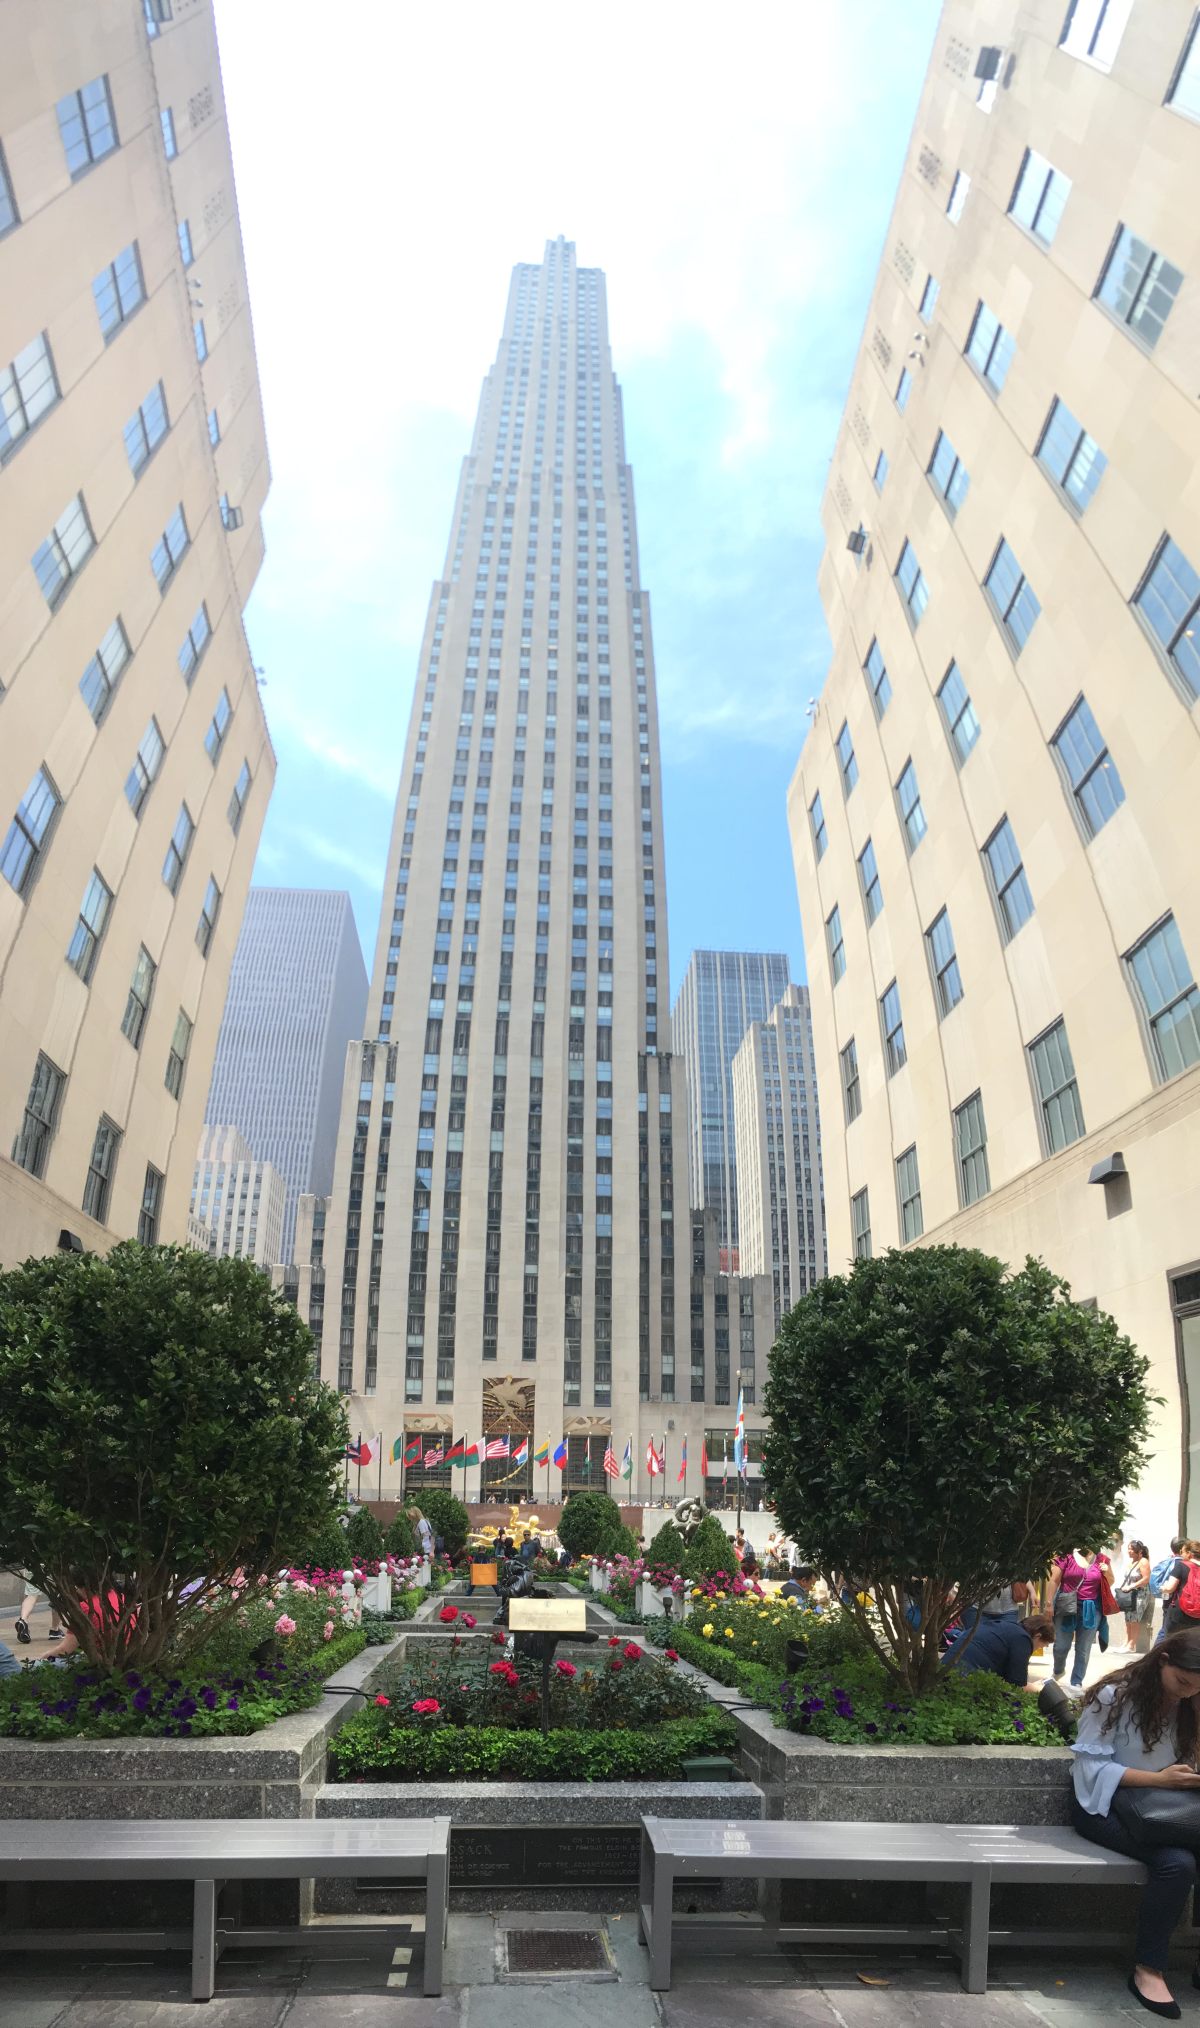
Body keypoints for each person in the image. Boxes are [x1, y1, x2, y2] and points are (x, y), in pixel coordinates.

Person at [1071, 1626, 1200, 2018]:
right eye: (1182, 1681)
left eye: (1196, 1687)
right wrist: (1160, 1779)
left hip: (1170, 1810)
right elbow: (1090, 1769)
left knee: (1181, 1859)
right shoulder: (1115, 1696)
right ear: (1163, 1660)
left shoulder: (1191, 1700)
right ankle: (1148, 1968)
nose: (1186, 1691)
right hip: (1105, 1806)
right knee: (1177, 1863)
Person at [1048, 1546, 1112, 1689]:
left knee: (1083, 1648)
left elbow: (1110, 1581)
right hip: (1066, 1606)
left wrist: (1106, 1572)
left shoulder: (1102, 1559)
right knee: (1060, 1647)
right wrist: (1049, 1603)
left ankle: (1076, 1682)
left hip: (1091, 1608)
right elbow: (1054, 1580)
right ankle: (1058, 1671)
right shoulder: (1067, 1556)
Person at [942, 1610, 1054, 1688]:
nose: (1037, 1650)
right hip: (963, 1679)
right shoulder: (1022, 1639)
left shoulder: (1007, 1628)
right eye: (1042, 1646)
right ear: (1038, 1636)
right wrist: (1038, 1688)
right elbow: (1016, 1686)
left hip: (945, 1672)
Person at [1119, 1541, 1155, 1653]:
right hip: (1130, 1594)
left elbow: (1146, 1579)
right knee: (1128, 1618)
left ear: (1139, 1551)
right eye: (1128, 1548)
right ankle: (1126, 1641)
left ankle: (1131, 1644)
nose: (1129, 1551)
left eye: (1131, 1549)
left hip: (1140, 1594)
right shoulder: (1132, 1562)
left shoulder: (1143, 1561)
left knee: (1134, 1618)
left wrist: (1131, 1586)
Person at [1160, 1543, 1200, 1640]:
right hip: (1198, 1615)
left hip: (1180, 1612)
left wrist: (1163, 1588)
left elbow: (1170, 1588)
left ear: (1189, 1553)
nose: (1181, 1554)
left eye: (1182, 1552)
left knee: (1171, 1642)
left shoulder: (1181, 1565)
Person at [14, 1576, 61, 1646]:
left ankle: (23, 1620)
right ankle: (55, 1630)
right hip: (52, 1567)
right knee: (59, 1593)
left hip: (31, 1566)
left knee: (32, 1595)